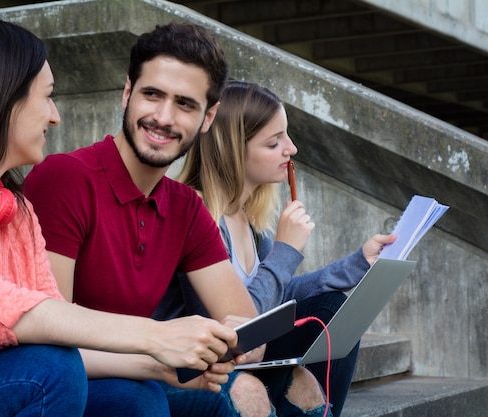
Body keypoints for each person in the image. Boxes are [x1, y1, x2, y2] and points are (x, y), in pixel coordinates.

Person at [0, 17, 243, 417]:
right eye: (47, 97)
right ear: (0, 97)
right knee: (50, 370)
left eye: (185, 103)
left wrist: (162, 362)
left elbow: (56, 334)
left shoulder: (15, 212)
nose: (55, 117)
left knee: (140, 397)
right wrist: (156, 335)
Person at [24, 22, 334, 417]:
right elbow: (48, 343)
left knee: (294, 382)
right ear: (126, 93)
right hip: (77, 381)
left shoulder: (187, 208)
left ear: (208, 118)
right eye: (152, 95)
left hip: (152, 369)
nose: (163, 117)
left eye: (185, 104)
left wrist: (211, 343)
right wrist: (162, 351)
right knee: (148, 399)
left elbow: (250, 336)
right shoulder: (66, 177)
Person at [152, 80, 397, 417]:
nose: (291, 149)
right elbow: (233, 326)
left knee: (331, 307)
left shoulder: (248, 218)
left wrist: (357, 264)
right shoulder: (197, 213)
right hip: (198, 360)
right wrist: (285, 251)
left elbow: (278, 296)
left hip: (244, 352)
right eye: (274, 142)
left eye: (287, 135)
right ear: (235, 150)